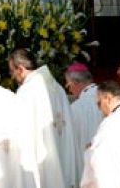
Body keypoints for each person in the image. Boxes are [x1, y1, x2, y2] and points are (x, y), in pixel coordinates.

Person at [9, 49, 79, 188]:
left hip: (39, 159)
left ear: (21, 69)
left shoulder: (27, 91)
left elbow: (20, 131)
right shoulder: (57, 88)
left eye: (12, 71)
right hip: (60, 153)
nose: (12, 76)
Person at [80, 81, 120, 188]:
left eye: (99, 103)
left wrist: (89, 151)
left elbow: (98, 161)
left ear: (108, 99)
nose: (99, 109)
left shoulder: (110, 124)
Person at [64, 62, 103, 174]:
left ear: (76, 82)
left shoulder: (75, 108)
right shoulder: (108, 98)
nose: (70, 90)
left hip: (84, 167)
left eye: (68, 85)